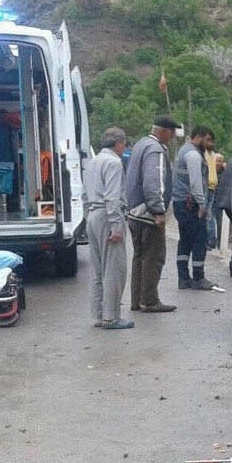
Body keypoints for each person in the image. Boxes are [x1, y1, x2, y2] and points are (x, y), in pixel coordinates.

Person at [124, 116, 178, 313]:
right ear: (163, 131)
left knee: (139, 257)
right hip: (147, 214)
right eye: (171, 132)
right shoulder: (156, 150)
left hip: (134, 211)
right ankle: (150, 300)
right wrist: (158, 211)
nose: (172, 137)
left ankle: (136, 300)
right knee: (154, 257)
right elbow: (154, 181)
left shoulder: (140, 145)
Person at [83, 127, 131, 330]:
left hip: (93, 215)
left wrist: (87, 218)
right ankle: (111, 317)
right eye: (124, 144)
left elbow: (85, 195)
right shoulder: (114, 163)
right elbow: (112, 196)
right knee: (114, 268)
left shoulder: (91, 163)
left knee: (97, 268)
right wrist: (116, 226)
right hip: (107, 214)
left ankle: (99, 313)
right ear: (119, 143)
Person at [172, 125, 215, 290]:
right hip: (190, 204)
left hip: (180, 202)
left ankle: (183, 278)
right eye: (207, 139)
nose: (209, 143)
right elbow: (196, 181)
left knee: (185, 240)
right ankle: (198, 277)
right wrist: (202, 203)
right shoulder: (193, 155)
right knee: (199, 239)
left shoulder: (183, 151)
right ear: (198, 137)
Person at [203, 134, 224, 250]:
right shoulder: (206, 155)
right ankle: (210, 240)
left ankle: (212, 241)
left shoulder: (210, 155)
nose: (217, 163)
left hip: (212, 190)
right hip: (208, 188)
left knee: (210, 216)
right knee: (209, 216)